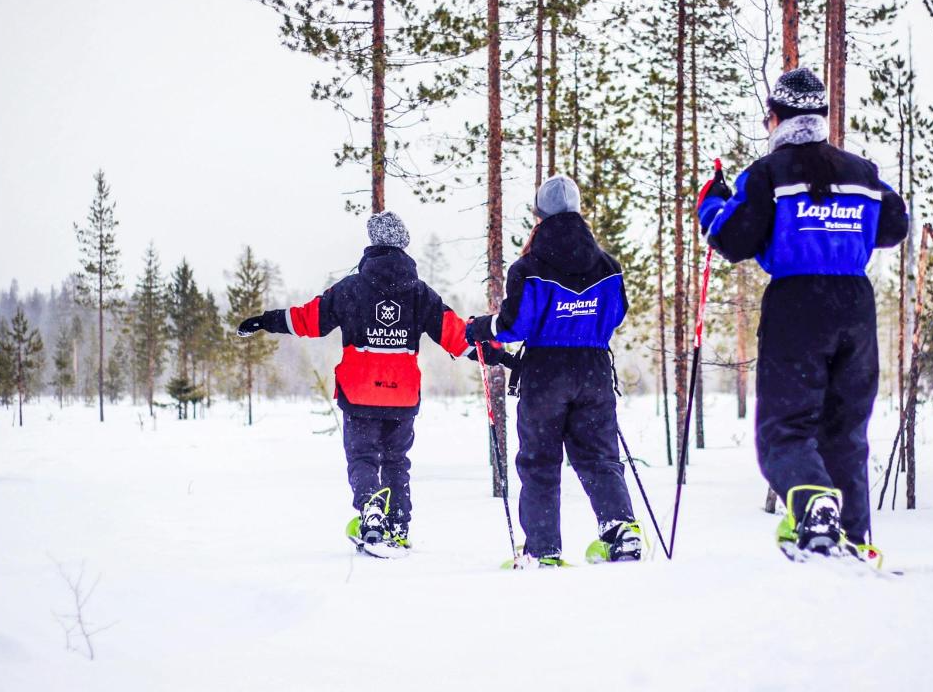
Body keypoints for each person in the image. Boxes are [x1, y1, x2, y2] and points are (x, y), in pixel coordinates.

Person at [697, 67, 909, 561]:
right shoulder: (861, 171)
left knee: (784, 430)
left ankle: (814, 508)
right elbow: (895, 224)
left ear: (775, 118)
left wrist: (712, 203)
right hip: (855, 305)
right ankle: (854, 538)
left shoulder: (767, 174)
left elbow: (731, 239)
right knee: (845, 433)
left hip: (797, 303)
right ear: (821, 117)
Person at [237, 211, 516, 557]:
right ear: (403, 244)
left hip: (359, 393)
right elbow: (456, 335)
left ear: (372, 243)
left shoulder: (350, 289)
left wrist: (268, 320)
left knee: (364, 458)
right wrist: (497, 356)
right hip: (402, 395)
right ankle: (398, 526)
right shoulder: (420, 293)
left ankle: (371, 513)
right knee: (397, 460)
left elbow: (308, 319)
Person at [465, 175, 641, 568]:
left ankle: (542, 550)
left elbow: (515, 326)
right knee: (599, 457)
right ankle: (621, 531)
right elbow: (616, 315)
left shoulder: (530, 265)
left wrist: (482, 328)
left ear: (538, 216)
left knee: (540, 460)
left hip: (546, 372)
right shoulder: (607, 266)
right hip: (594, 368)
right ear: (578, 210)